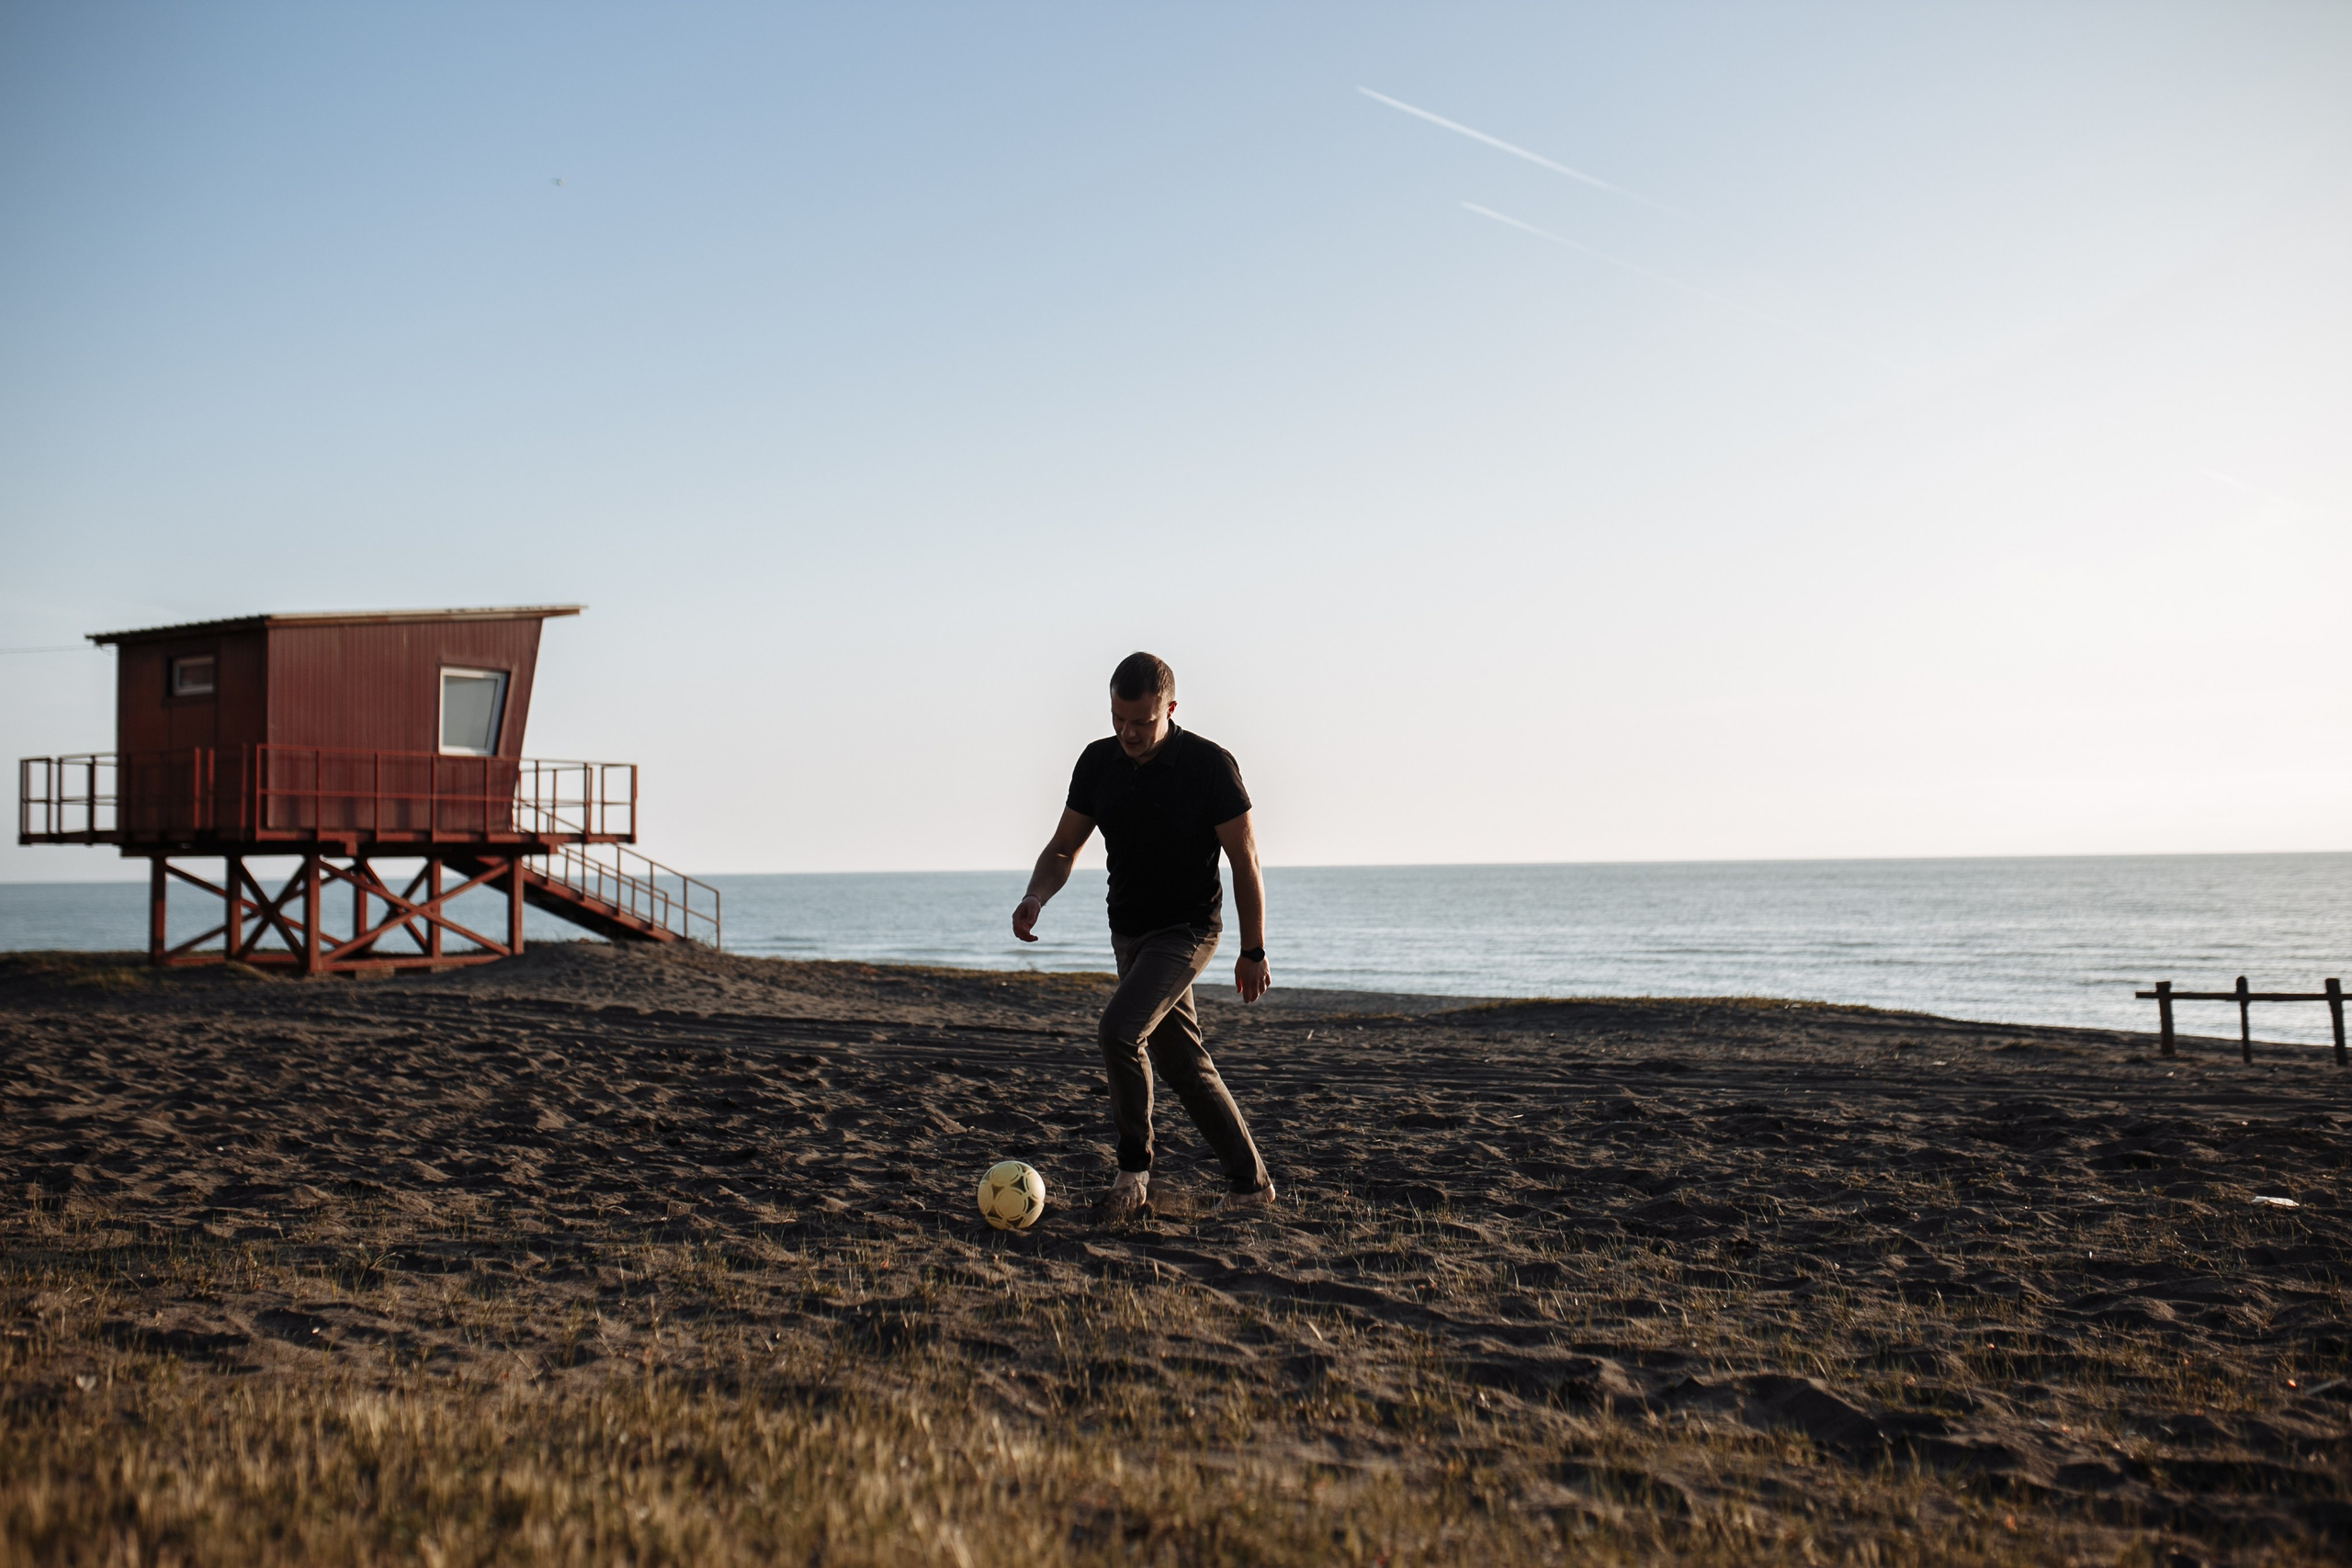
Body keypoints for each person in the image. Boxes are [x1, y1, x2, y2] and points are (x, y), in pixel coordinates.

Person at [1012, 651, 1275, 1220]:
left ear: (1170, 709)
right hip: (1127, 931)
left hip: (1186, 930)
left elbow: (1244, 859)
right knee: (1182, 1061)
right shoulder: (1097, 763)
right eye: (1118, 719)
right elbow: (1064, 847)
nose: (1128, 732)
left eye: (1142, 721)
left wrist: (1251, 949)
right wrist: (1037, 895)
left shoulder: (1209, 765)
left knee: (1119, 1031)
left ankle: (1133, 1172)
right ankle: (1251, 1187)